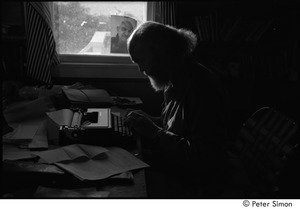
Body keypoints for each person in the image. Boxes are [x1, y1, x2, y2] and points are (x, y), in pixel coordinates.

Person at [124, 21, 231, 197]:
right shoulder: (173, 78)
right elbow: (176, 127)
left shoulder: (202, 89)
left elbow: (204, 159)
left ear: (161, 53)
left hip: (195, 184)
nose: (141, 69)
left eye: (141, 61)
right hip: (174, 167)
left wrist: (155, 132)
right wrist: (149, 121)